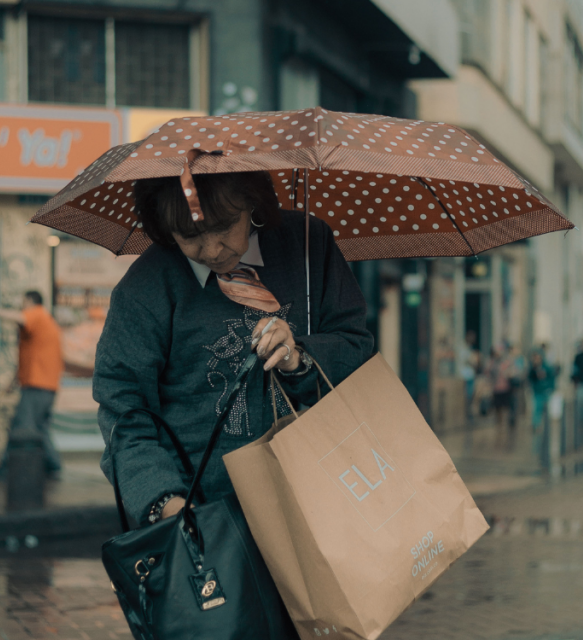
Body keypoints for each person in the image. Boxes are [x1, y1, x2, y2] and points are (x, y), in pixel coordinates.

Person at [93, 171, 373, 528]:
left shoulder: (307, 244)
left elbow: (355, 348)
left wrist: (298, 357)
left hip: (320, 498)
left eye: (225, 226)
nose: (211, 250)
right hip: (199, 512)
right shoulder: (144, 289)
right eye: (189, 236)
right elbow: (124, 413)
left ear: (252, 203)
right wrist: (168, 504)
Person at [0, 291, 65, 478]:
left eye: (23, 301)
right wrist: (13, 381)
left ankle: (7, 467)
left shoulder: (37, 314)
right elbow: (28, 356)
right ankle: (53, 465)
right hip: (44, 385)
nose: (21, 305)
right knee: (39, 428)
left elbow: (18, 317)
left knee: (21, 425)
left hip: (38, 384)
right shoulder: (41, 324)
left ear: (30, 301)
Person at [527, 348, 556, 456]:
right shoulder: (532, 368)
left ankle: (546, 424)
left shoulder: (547, 367)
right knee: (536, 408)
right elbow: (530, 378)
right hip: (537, 391)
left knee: (546, 408)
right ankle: (536, 425)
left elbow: (552, 378)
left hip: (545, 391)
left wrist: (551, 388)